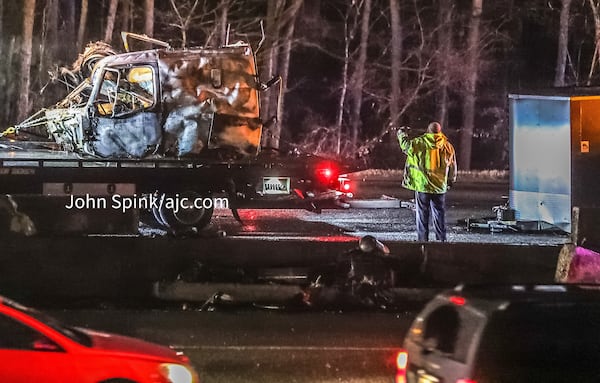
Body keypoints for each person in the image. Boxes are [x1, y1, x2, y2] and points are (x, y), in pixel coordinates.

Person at [396, 121, 457, 242]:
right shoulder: (447, 146)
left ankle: (423, 240)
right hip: (440, 187)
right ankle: (441, 240)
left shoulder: (419, 143)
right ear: (439, 132)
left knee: (422, 215)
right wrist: (450, 180)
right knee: (439, 214)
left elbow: (406, 146)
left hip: (423, 185)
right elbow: (453, 165)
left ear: (427, 131)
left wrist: (401, 133)